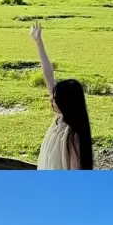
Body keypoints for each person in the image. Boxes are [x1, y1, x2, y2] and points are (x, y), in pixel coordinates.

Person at [30, 22, 94, 170]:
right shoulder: (60, 120)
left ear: (66, 103)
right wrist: (39, 42)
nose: (51, 100)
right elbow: (48, 77)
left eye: (55, 99)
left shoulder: (72, 136)